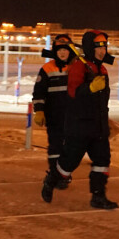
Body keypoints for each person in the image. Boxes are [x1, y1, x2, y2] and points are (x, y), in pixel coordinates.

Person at [41, 30, 117, 209]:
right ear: (90, 48)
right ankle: (51, 180)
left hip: (98, 127)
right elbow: (73, 93)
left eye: (104, 47)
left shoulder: (102, 69)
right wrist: (89, 88)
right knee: (68, 163)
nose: (102, 51)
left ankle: (98, 196)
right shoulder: (79, 67)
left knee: (102, 160)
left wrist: (106, 121)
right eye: (98, 47)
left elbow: (102, 101)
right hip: (79, 126)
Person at [33, 34, 77, 190]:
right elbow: (39, 92)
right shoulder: (47, 69)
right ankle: (55, 175)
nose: (62, 53)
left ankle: (64, 174)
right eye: (59, 50)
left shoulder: (77, 68)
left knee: (70, 147)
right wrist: (39, 111)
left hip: (72, 116)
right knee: (55, 147)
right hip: (54, 117)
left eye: (65, 50)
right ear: (55, 51)